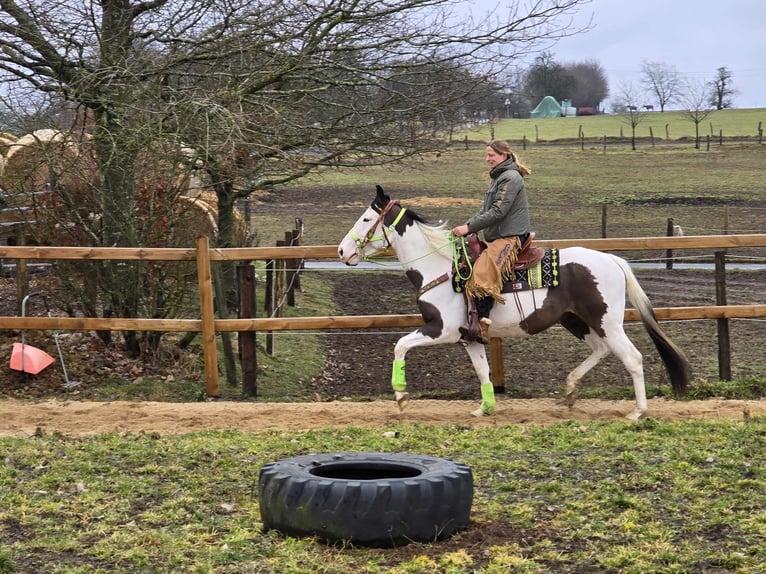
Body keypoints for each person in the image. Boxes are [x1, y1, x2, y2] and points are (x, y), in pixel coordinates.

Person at [452, 139, 531, 343]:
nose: (487, 159)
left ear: (504, 155)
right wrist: (468, 226)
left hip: (510, 236)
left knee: (482, 272)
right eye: (486, 155)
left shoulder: (510, 178)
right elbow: (485, 210)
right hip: (498, 234)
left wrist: (469, 228)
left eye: (491, 155)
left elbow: (498, 211)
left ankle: (482, 326)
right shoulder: (499, 177)